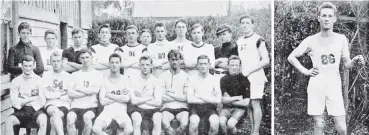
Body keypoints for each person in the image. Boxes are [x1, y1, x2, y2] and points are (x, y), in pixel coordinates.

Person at [287, 2, 365, 135]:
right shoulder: (310, 40)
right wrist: (306, 71)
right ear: (319, 18)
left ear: (334, 18)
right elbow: (291, 57)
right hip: (316, 85)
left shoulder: (341, 39)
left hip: (334, 85)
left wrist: (356, 60)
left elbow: (347, 64)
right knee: (319, 124)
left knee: (341, 127)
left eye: (330, 16)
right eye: (324, 15)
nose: (327, 18)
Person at [236, 15, 270, 135]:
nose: (245, 25)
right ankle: (252, 131)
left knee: (255, 102)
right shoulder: (239, 41)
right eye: (242, 23)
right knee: (249, 104)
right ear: (240, 25)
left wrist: (250, 70)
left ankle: (256, 132)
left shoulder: (258, 39)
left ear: (252, 25)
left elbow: (266, 60)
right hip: (244, 77)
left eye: (247, 23)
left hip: (256, 75)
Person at [92, 53, 133, 135]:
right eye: (112, 62)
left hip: (121, 110)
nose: (114, 65)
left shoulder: (125, 79)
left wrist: (110, 96)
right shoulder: (104, 80)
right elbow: (103, 101)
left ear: (120, 64)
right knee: (96, 129)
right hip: (107, 110)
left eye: (117, 62)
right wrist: (119, 97)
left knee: (129, 130)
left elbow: (127, 99)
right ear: (109, 64)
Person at [5, 55, 47, 135]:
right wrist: (33, 98)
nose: (28, 68)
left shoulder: (39, 80)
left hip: (35, 110)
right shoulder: (16, 81)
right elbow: (14, 101)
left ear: (33, 66)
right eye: (25, 66)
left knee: (43, 120)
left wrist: (24, 100)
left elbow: (42, 101)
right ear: (21, 66)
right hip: (21, 110)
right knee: (9, 120)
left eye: (30, 66)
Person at [66, 48, 103, 135]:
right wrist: (87, 92)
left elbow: (95, 90)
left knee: (87, 119)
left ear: (91, 58)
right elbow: (70, 93)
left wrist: (78, 89)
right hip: (76, 106)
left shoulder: (98, 74)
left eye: (87, 57)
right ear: (79, 59)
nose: (85, 60)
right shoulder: (75, 75)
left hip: (91, 106)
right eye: (82, 58)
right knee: (70, 119)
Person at [187, 55, 221, 135]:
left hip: (210, 108)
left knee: (215, 123)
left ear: (209, 64)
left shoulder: (214, 79)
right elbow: (190, 99)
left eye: (205, 63)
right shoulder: (192, 79)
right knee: (194, 122)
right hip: (195, 108)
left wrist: (199, 96)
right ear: (197, 65)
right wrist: (209, 98)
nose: (203, 66)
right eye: (201, 64)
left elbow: (218, 100)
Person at [129, 55, 163, 135]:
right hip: (138, 108)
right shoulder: (133, 80)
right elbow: (133, 101)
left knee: (157, 119)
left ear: (151, 66)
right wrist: (148, 99)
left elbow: (158, 103)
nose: (145, 67)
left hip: (153, 109)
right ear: (139, 66)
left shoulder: (156, 81)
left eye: (147, 65)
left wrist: (141, 99)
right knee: (136, 119)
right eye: (142, 65)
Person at [160, 49, 189, 135]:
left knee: (184, 124)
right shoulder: (163, 76)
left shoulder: (186, 76)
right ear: (169, 60)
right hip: (167, 107)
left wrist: (169, 93)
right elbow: (162, 97)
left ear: (180, 60)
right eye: (172, 59)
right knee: (165, 123)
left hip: (182, 108)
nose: (175, 62)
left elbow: (186, 98)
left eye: (177, 59)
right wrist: (178, 96)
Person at [219, 55, 250, 135]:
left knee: (230, 124)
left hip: (240, 109)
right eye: (232, 65)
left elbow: (246, 103)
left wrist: (230, 100)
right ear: (228, 66)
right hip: (226, 108)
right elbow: (223, 99)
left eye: (236, 65)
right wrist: (238, 98)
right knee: (221, 122)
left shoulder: (244, 79)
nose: (234, 67)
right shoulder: (223, 79)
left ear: (239, 66)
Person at [43, 51, 71, 135]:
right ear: (51, 62)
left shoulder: (68, 76)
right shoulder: (46, 75)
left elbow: (69, 96)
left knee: (53, 120)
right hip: (50, 104)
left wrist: (55, 95)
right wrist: (61, 94)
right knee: (55, 112)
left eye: (58, 61)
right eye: (54, 61)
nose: (56, 63)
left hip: (64, 105)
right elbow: (46, 94)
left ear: (62, 62)